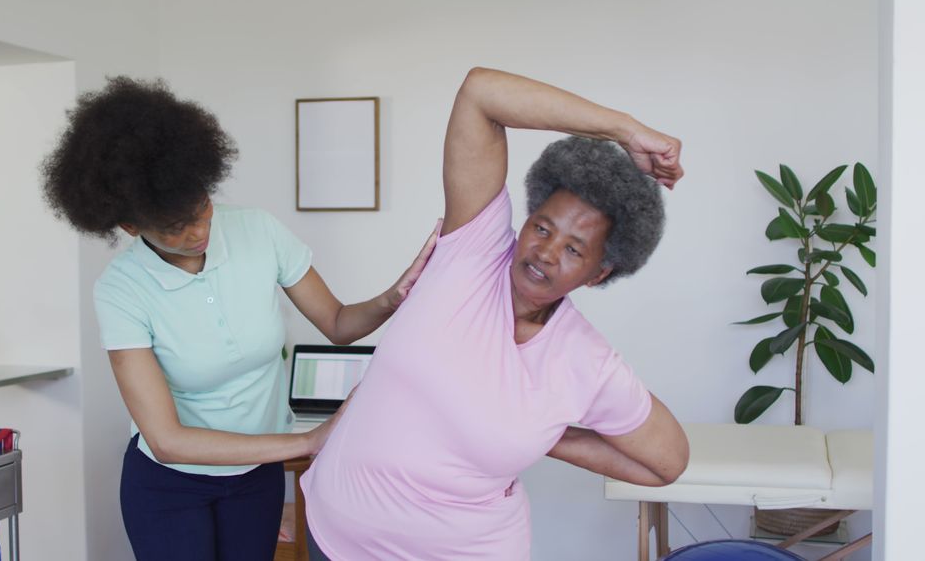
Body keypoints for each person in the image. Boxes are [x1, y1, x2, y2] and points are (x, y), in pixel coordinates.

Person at [300, 67, 690, 560]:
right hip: (333, 540)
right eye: (543, 228)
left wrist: (547, 439)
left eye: (574, 250)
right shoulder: (472, 253)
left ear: (599, 273)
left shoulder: (585, 362)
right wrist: (625, 130)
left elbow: (667, 463)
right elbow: (481, 92)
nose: (546, 253)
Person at [40, 77, 435, 561]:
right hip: (169, 488)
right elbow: (166, 441)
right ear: (130, 224)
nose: (198, 231)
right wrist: (308, 440)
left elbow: (336, 322)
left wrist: (394, 296)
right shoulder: (121, 290)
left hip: (256, 479)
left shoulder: (258, 231)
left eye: (201, 209)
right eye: (175, 227)